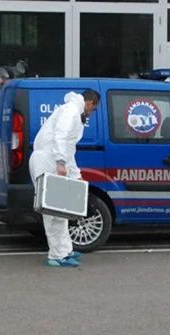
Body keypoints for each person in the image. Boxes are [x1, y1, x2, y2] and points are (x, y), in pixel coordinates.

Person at [29, 89, 100, 267]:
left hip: (52, 159)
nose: (92, 112)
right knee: (53, 212)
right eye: (94, 108)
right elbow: (60, 137)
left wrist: (76, 175)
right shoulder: (71, 111)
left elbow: (69, 150)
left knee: (61, 210)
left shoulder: (72, 111)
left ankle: (64, 251)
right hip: (48, 160)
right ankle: (56, 255)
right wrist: (61, 162)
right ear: (90, 102)